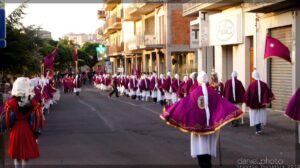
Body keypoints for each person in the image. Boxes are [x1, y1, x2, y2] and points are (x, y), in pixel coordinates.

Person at [160, 71, 243, 168]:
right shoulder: (213, 93)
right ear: (207, 81)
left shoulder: (194, 93)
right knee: (207, 150)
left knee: (200, 149)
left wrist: (170, 109)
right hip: (210, 127)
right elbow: (223, 105)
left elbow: (183, 106)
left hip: (197, 127)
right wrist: (234, 111)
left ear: (198, 81)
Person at [3, 77, 44, 168]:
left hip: (15, 130)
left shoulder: (11, 103)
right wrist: (36, 132)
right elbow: (37, 118)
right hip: (27, 130)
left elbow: (8, 120)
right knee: (25, 155)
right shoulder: (32, 102)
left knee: (16, 155)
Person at [244, 70, 274, 135]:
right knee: (260, 116)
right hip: (261, 105)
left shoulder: (251, 85)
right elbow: (269, 93)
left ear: (253, 76)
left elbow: (247, 95)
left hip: (254, 104)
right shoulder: (264, 84)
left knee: (256, 116)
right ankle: (259, 129)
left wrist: (246, 101)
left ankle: (258, 129)